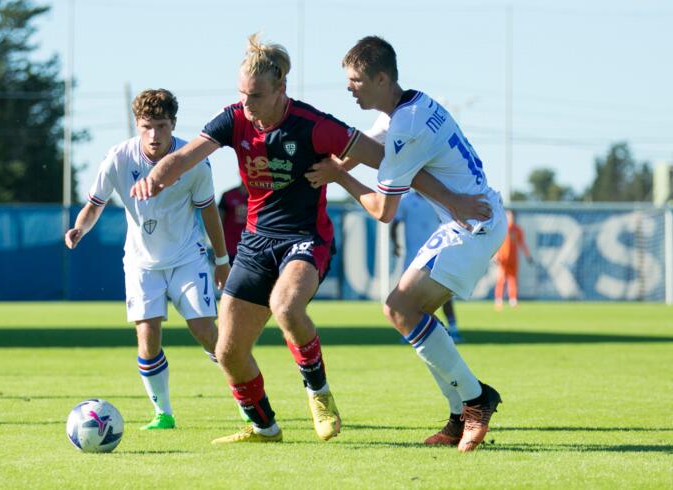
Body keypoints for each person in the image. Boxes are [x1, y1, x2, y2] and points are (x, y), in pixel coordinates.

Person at [131, 34, 478, 444]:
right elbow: (186, 155)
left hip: (305, 238)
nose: (246, 104)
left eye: (256, 95)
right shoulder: (234, 118)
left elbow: (392, 162)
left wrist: (451, 198)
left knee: (286, 306)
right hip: (256, 242)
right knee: (227, 351)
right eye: (242, 94)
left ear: (281, 89)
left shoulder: (315, 125)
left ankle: (319, 393)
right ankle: (264, 426)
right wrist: (157, 175)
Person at [306, 36, 506, 452]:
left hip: (473, 225)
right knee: (415, 319)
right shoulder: (410, 107)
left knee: (398, 308)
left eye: (356, 80)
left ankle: (475, 400)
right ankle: (458, 416)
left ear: (382, 78)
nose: (349, 88)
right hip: (470, 216)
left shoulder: (405, 125)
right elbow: (377, 152)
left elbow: (383, 210)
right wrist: (336, 163)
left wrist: (338, 177)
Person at [65, 89, 230, 431]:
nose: (154, 135)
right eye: (146, 127)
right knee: (147, 336)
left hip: (187, 256)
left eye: (161, 125)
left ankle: (246, 399)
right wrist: (79, 228)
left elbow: (209, 212)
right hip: (141, 262)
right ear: (136, 125)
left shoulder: (193, 160)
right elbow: (95, 204)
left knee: (205, 331)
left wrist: (222, 259)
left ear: (173, 124)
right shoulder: (119, 158)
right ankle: (163, 414)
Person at [390, 190, 462, 342]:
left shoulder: (435, 198)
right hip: (412, 257)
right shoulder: (406, 201)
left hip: (435, 254)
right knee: (407, 296)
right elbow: (395, 223)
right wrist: (395, 244)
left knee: (444, 293)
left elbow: (448, 222)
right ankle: (408, 332)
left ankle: (454, 329)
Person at [494, 209, 533, 310]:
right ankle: (499, 300)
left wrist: (528, 255)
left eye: (511, 216)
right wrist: (495, 256)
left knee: (512, 280)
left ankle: (513, 300)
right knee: (501, 280)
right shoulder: (502, 228)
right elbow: (496, 243)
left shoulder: (517, 230)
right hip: (503, 259)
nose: (510, 218)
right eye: (508, 216)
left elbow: (522, 243)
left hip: (513, 259)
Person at [218, 183, 248, 264]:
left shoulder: (260, 197)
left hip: (250, 249)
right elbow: (218, 223)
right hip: (229, 248)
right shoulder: (228, 195)